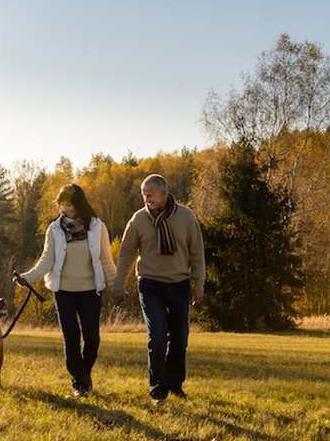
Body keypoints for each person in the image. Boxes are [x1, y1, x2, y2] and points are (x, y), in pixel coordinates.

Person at [15, 184, 116, 397]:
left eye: (68, 204)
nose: (64, 208)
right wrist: (27, 277)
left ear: (79, 204)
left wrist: (117, 288)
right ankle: (79, 382)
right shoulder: (55, 229)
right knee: (70, 335)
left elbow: (106, 261)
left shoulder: (97, 227)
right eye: (61, 204)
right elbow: (46, 261)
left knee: (92, 337)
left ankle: (84, 373)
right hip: (63, 291)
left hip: (90, 290)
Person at [113, 174, 205, 405]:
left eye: (150, 195)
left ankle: (174, 385)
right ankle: (157, 389)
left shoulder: (186, 217)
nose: (146, 199)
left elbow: (197, 252)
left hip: (179, 284)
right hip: (150, 284)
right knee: (156, 338)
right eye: (144, 195)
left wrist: (198, 284)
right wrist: (118, 284)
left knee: (179, 337)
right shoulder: (138, 219)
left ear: (164, 194)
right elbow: (126, 253)